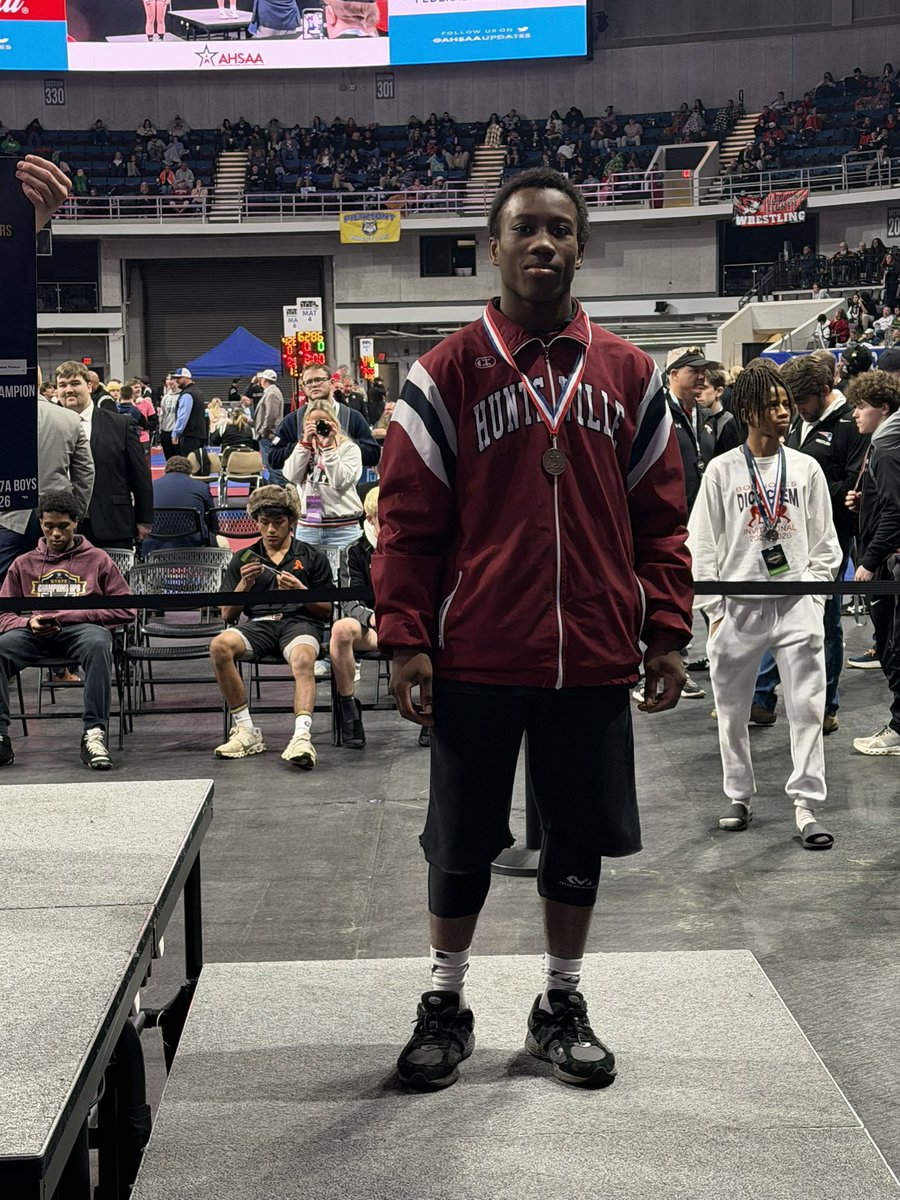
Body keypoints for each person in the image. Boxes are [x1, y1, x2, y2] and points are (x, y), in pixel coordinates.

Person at [371, 167, 692, 1092]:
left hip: (592, 652)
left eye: (560, 229)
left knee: (577, 837)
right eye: (525, 229)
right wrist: (406, 637)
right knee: (460, 838)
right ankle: (445, 1001)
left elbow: (661, 520)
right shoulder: (443, 373)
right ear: (495, 247)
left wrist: (666, 629)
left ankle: (561, 1002)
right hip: (476, 650)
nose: (543, 243)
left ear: (581, 247)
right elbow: (407, 525)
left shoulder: (630, 373)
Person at [688, 360, 842, 848]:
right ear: (749, 411)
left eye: (785, 403)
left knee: (807, 708)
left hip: (796, 605)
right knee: (731, 709)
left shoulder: (806, 467)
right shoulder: (721, 471)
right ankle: (738, 793)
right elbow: (702, 545)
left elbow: (826, 544)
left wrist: (812, 598)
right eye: (773, 405)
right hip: (738, 608)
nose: (784, 412)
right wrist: (714, 612)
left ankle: (807, 804)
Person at [751, 354, 869, 733]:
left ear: (824, 390)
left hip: (827, 538)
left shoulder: (851, 425)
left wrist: (804, 487)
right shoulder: (799, 423)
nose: (794, 409)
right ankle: (762, 697)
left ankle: (825, 706)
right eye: (790, 402)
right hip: (784, 536)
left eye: (801, 401)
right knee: (778, 608)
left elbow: (851, 488)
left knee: (823, 619)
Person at [0, 489, 135, 771]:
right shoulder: (24, 563)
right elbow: (3, 613)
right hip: (36, 633)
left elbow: (127, 609)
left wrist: (76, 615)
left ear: (76, 522)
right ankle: (0, 737)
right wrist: (27, 623)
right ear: (40, 524)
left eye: (63, 526)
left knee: (99, 643)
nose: (56, 534)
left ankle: (94, 734)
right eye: (49, 526)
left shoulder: (98, 559)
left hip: (81, 631)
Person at [209, 485, 333, 768]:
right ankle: (245, 730)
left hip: (300, 623)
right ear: (256, 522)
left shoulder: (312, 556)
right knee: (219, 646)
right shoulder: (243, 559)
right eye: (264, 523)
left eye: (278, 522)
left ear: (292, 522)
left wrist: (301, 592)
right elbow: (227, 614)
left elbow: (327, 612)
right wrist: (245, 584)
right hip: (259, 625)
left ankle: (301, 736)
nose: (271, 530)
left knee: (304, 659)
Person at [845, 370, 900, 754]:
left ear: (882, 408)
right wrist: (867, 500)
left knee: (891, 646)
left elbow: (896, 511)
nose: (855, 414)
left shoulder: (885, 445)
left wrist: (868, 560)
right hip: (887, 556)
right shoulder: (884, 443)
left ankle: (898, 728)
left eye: (862, 406)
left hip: (888, 562)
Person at [282, 399, 364, 583]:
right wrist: (304, 444)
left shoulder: (349, 449)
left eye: (323, 422)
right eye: (312, 423)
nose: (318, 427)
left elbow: (340, 481)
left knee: (345, 582)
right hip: (308, 527)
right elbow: (291, 476)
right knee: (307, 581)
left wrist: (327, 449)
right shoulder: (303, 448)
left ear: (334, 423)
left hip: (343, 528)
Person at [328, 485, 382, 749]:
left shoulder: (412, 547)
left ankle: (429, 708)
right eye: (385, 518)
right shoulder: (354, 551)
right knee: (341, 629)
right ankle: (348, 707)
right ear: (370, 519)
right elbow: (350, 601)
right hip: (372, 627)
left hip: (406, 624)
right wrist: (372, 619)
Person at [268, 360, 380, 473]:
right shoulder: (293, 420)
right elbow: (273, 458)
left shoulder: (352, 417)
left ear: (331, 382)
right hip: (305, 483)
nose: (314, 385)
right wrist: (303, 444)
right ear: (304, 387)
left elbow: (373, 455)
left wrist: (340, 443)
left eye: (318, 380)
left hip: (342, 482)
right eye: (309, 382)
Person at [141, 456, 219, 556]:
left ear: (166, 470)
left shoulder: (151, 486)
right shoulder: (202, 487)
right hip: (191, 541)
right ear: (189, 471)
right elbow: (212, 521)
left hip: (155, 540)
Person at [696, 364, 741, 462]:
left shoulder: (728, 422)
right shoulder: (695, 418)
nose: (698, 393)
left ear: (719, 391)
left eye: (704, 388)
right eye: (696, 387)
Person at [254, 369, 286, 485]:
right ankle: (275, 490)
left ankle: (283, 488)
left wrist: (263, 432)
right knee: (270, 466)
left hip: (268, 435)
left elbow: (271, 416)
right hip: (268, 434)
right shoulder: (271, 392)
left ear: (265, 380)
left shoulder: (272, 393)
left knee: (272, 465)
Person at [170, 368, 207, 462]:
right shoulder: (198, 392)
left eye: (179, 378)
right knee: (197, 463)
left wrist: (176, 433)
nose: (177, 381)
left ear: (186, 378)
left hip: (189, 436)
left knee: (188, 463)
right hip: (199, 435)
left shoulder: (187, 394)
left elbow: (183, 416)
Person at [158, 374, 181, 459]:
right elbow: (162, 414)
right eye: (168, 379)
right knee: (168, 458)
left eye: (172, 379)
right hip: (166, 431)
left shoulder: (182, 395)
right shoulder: (165, 397)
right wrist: (160, 429)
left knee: (179, 458)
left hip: (177, 432)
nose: (169, 381)